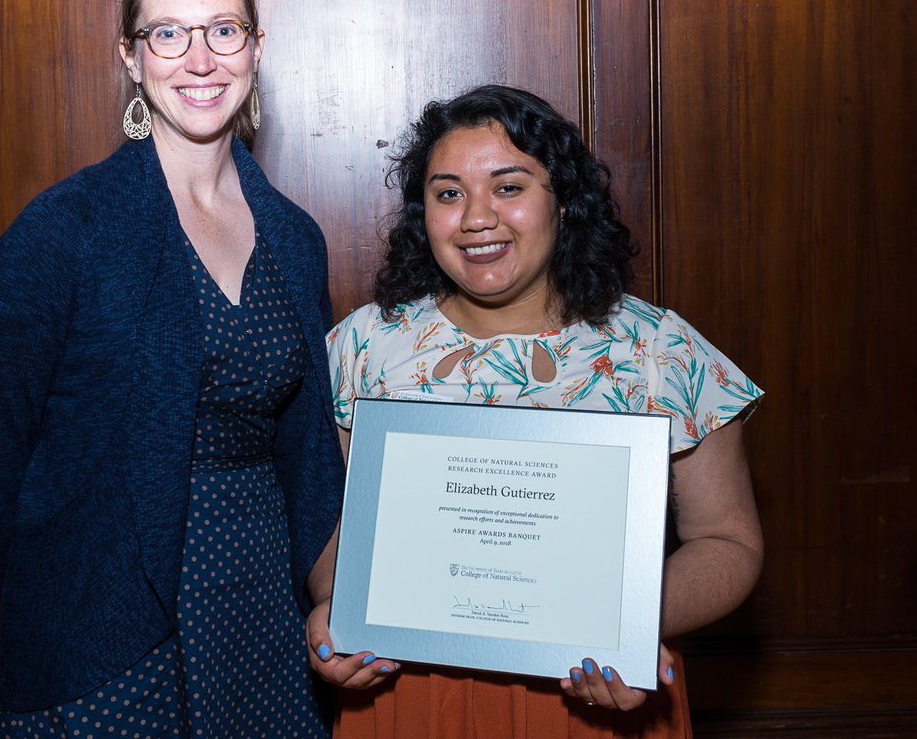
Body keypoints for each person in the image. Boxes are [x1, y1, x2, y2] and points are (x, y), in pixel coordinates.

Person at [0, 0, 344, 736]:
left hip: (264, 608)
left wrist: (334, 596)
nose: (198, 58)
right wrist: (61, 609)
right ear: (131, 58)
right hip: (110, 629)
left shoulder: (295, 238)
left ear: (257, 47)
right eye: (167, 34)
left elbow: (307, 454)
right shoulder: (62, 232)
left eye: (223, 30)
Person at [307, 84, 764, 739]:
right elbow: (330, 527)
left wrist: (626, 619)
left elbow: (730, 542)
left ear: (565, 201)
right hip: (407, 691)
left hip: (598, 693)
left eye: (509, 187)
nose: (476, 218)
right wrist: (340, 606)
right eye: (447, 192)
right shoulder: (361, 345)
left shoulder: (659, 350)